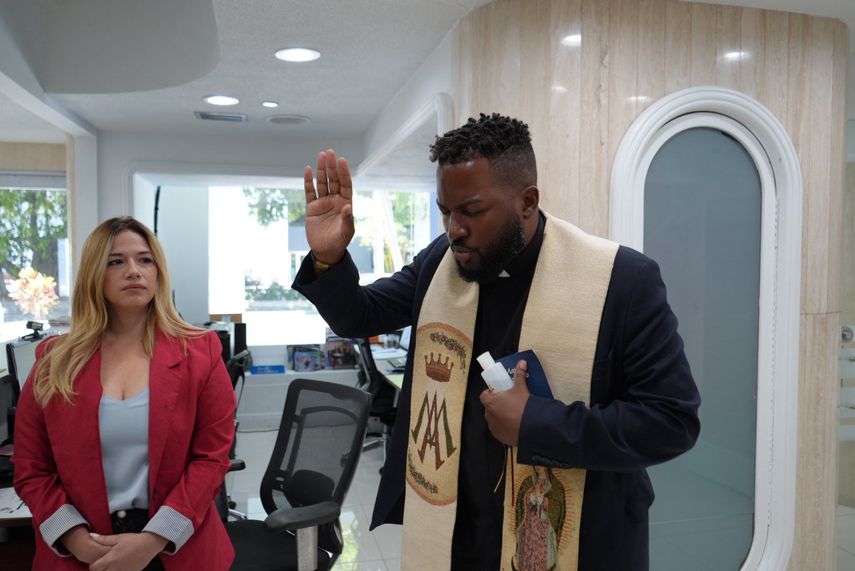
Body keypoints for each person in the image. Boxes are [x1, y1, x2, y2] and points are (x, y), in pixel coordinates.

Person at [292, 114, 701, 570]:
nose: (454, 230)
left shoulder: (620, 281)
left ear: (527, 201)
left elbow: (670, 421)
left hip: (575, 538)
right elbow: (360, 314)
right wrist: (329, 258)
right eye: (446, 211)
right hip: (456, 532)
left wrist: (536, 424)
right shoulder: (441, 263)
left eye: (471, 211)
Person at [13, 217, 236, 571]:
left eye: (145, 260)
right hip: (84, 551)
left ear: (158, 271)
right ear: (93, 274)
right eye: (116, 261)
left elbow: (211, 459)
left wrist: (154, 539)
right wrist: (74, 538)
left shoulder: (201, 351)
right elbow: (30, 467)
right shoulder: (54, 361)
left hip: (177, 547)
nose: (134, 271)